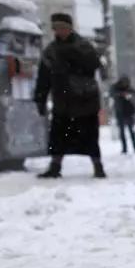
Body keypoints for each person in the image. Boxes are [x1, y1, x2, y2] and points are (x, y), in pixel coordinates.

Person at [34, 13, 105, 178]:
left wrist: (73, 55)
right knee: (59, 136)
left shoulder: (84, 46)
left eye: (64, 27)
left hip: (85, 100)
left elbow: (94, 65)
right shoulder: (51, 51)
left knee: (90, 136)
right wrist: (40, 98)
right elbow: (43, 78)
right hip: (63, 101)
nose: (61, 31)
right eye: (57, 28)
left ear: (70, 28)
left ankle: (98, 166)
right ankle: (55, 167)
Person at [110, 74, 135, 154]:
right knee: (122, 131)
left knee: (131, 131)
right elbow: (112, 94)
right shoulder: (115, 88)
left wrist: (130, 95)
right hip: (120, 112)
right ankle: (124, 148)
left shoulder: (129, 89)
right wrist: (121, 94)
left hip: (128, 112)